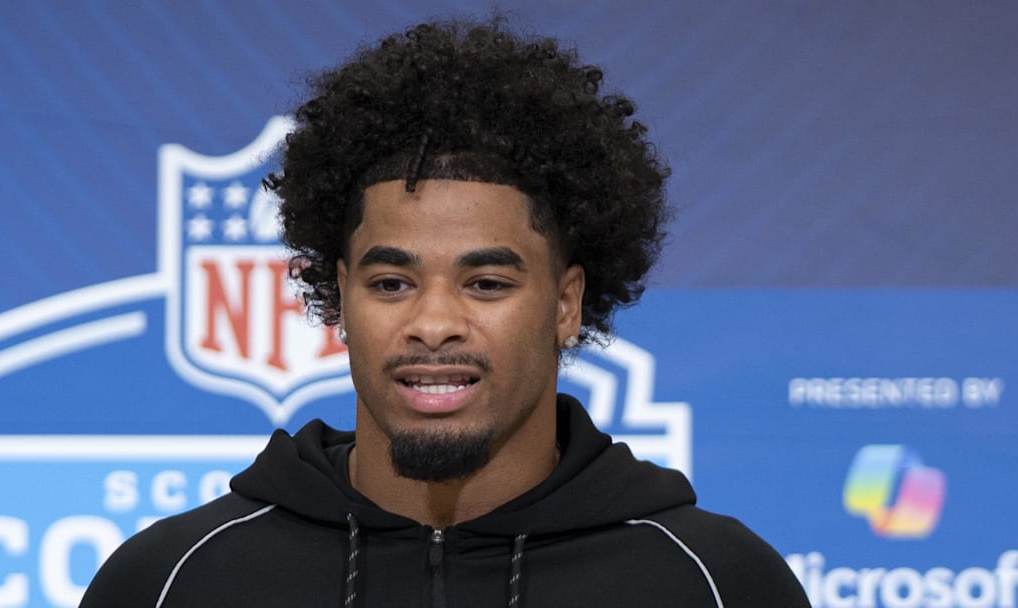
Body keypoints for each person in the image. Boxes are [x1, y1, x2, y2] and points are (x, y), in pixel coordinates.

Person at [80, 17, 810, 608]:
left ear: (565, 303)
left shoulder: (716, 583)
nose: (433, 324)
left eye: (487, 283)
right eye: (392, 283)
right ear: (339, 296)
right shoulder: (170, 583)